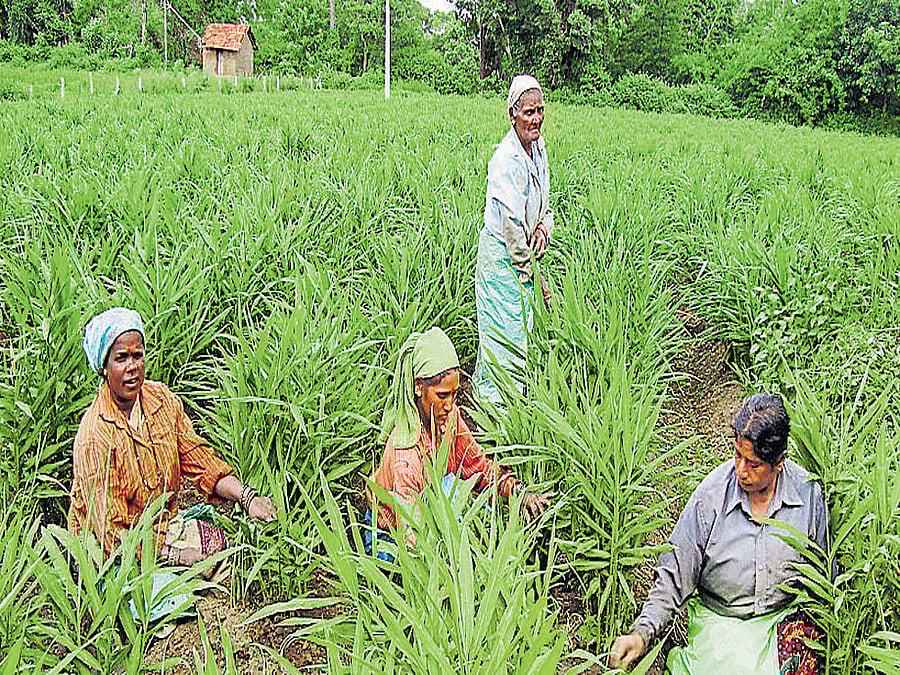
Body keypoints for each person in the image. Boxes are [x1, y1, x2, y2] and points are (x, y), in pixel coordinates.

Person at [609, 394, 831, 674]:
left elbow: (824, 578)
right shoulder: (710, 499)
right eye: (737, 455)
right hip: (721, 625)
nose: (741, 470)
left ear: (779, 463)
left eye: (753, 464)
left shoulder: (808, 496)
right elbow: (674, 575)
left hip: (781, 622)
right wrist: (641, 632)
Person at [69, 307, 276, 571]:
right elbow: (110, 532)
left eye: (138, 356)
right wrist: (175, 557)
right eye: (121, 358)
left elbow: (201, 462)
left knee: (230, 552)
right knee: (174, 604)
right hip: (113, 552)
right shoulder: (94, 436)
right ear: (104, 368)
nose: (132, 367)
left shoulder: (161, 401)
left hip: (161, 528)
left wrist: (247, 498)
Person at [368, 327, 549, 556]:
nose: (449, 405)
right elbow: (412, 538)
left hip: (430, 505)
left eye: (454, 394)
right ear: (418, 387)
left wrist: (518, 491)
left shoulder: (449, 419)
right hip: (391, 532)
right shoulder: (406, 456)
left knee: (472, 506)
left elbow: (477, 468)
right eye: (442, 395)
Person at [474, 73, 554, 406]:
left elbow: (545, 203)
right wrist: (535, 277)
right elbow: (511, 231)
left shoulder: (538, 150)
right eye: (528, 112)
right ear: (512, 115)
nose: (535, 119)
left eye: (539, 111)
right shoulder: (505, 161)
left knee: (521, 333)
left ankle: (514, 408)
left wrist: (543, 228)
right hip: (501, 258)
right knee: (501, 336)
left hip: (522, 251)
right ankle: (491, 414)